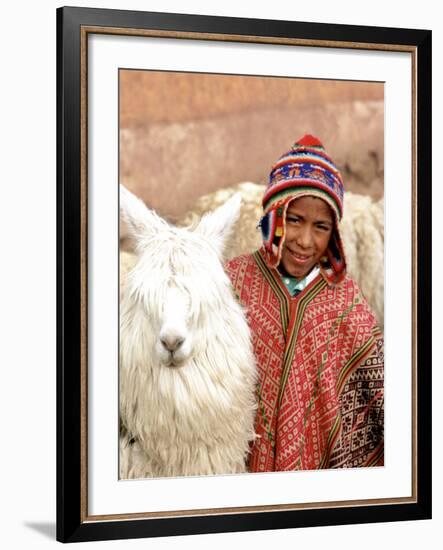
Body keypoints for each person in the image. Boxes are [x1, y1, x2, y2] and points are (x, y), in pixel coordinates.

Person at [225, 135, 384, 472]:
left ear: (334, 235)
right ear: (272, 216)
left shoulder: (346, 303)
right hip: (238, 470)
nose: (305, 240)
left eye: (321, 227)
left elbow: (380, 395)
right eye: (294, 220)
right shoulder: (233, 282)